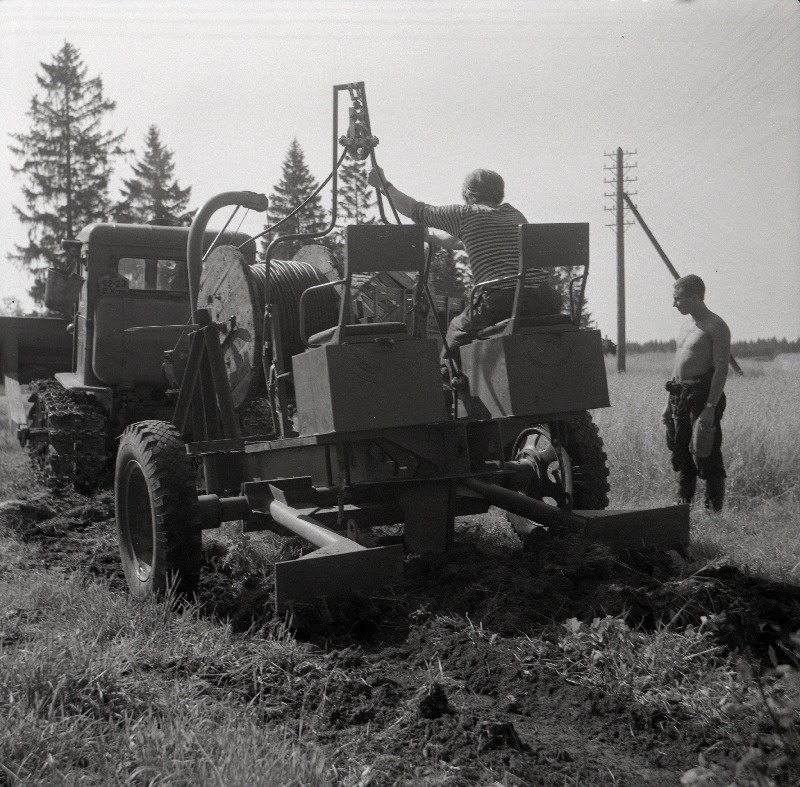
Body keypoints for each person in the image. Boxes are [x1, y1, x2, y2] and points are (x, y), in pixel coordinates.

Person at [366, 166, 561, 370]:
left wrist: (383, 185)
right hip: (543, 298)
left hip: (501, 301)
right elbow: (463, 241)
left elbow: (414, 210)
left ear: (468, 194)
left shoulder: (464, 215)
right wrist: (430, 236)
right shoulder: (514, 215)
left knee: (456, 329)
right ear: (500, 193)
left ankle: (447, 382)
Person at [661, 274, 731, 511]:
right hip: (679, 396)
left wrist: (710, 408)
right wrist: (667, 403)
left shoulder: (717, 326)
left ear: (694, 297)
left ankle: (713, 511)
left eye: (677, 299)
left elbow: (721, 370)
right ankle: (683, 508)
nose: (674, 304)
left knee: (705, 450)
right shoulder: (685, 325)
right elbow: (677, 365)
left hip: (703, 396)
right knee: (681, 450)